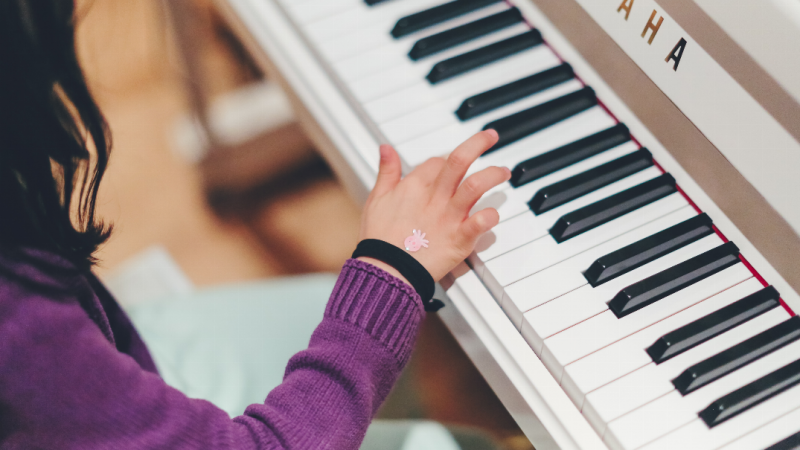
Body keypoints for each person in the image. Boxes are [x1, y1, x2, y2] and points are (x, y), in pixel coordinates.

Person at [0, 1, 511, 449]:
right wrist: (394, 265)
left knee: (337, 313)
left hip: (109, 356)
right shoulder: (16, 315)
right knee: (468, 445)